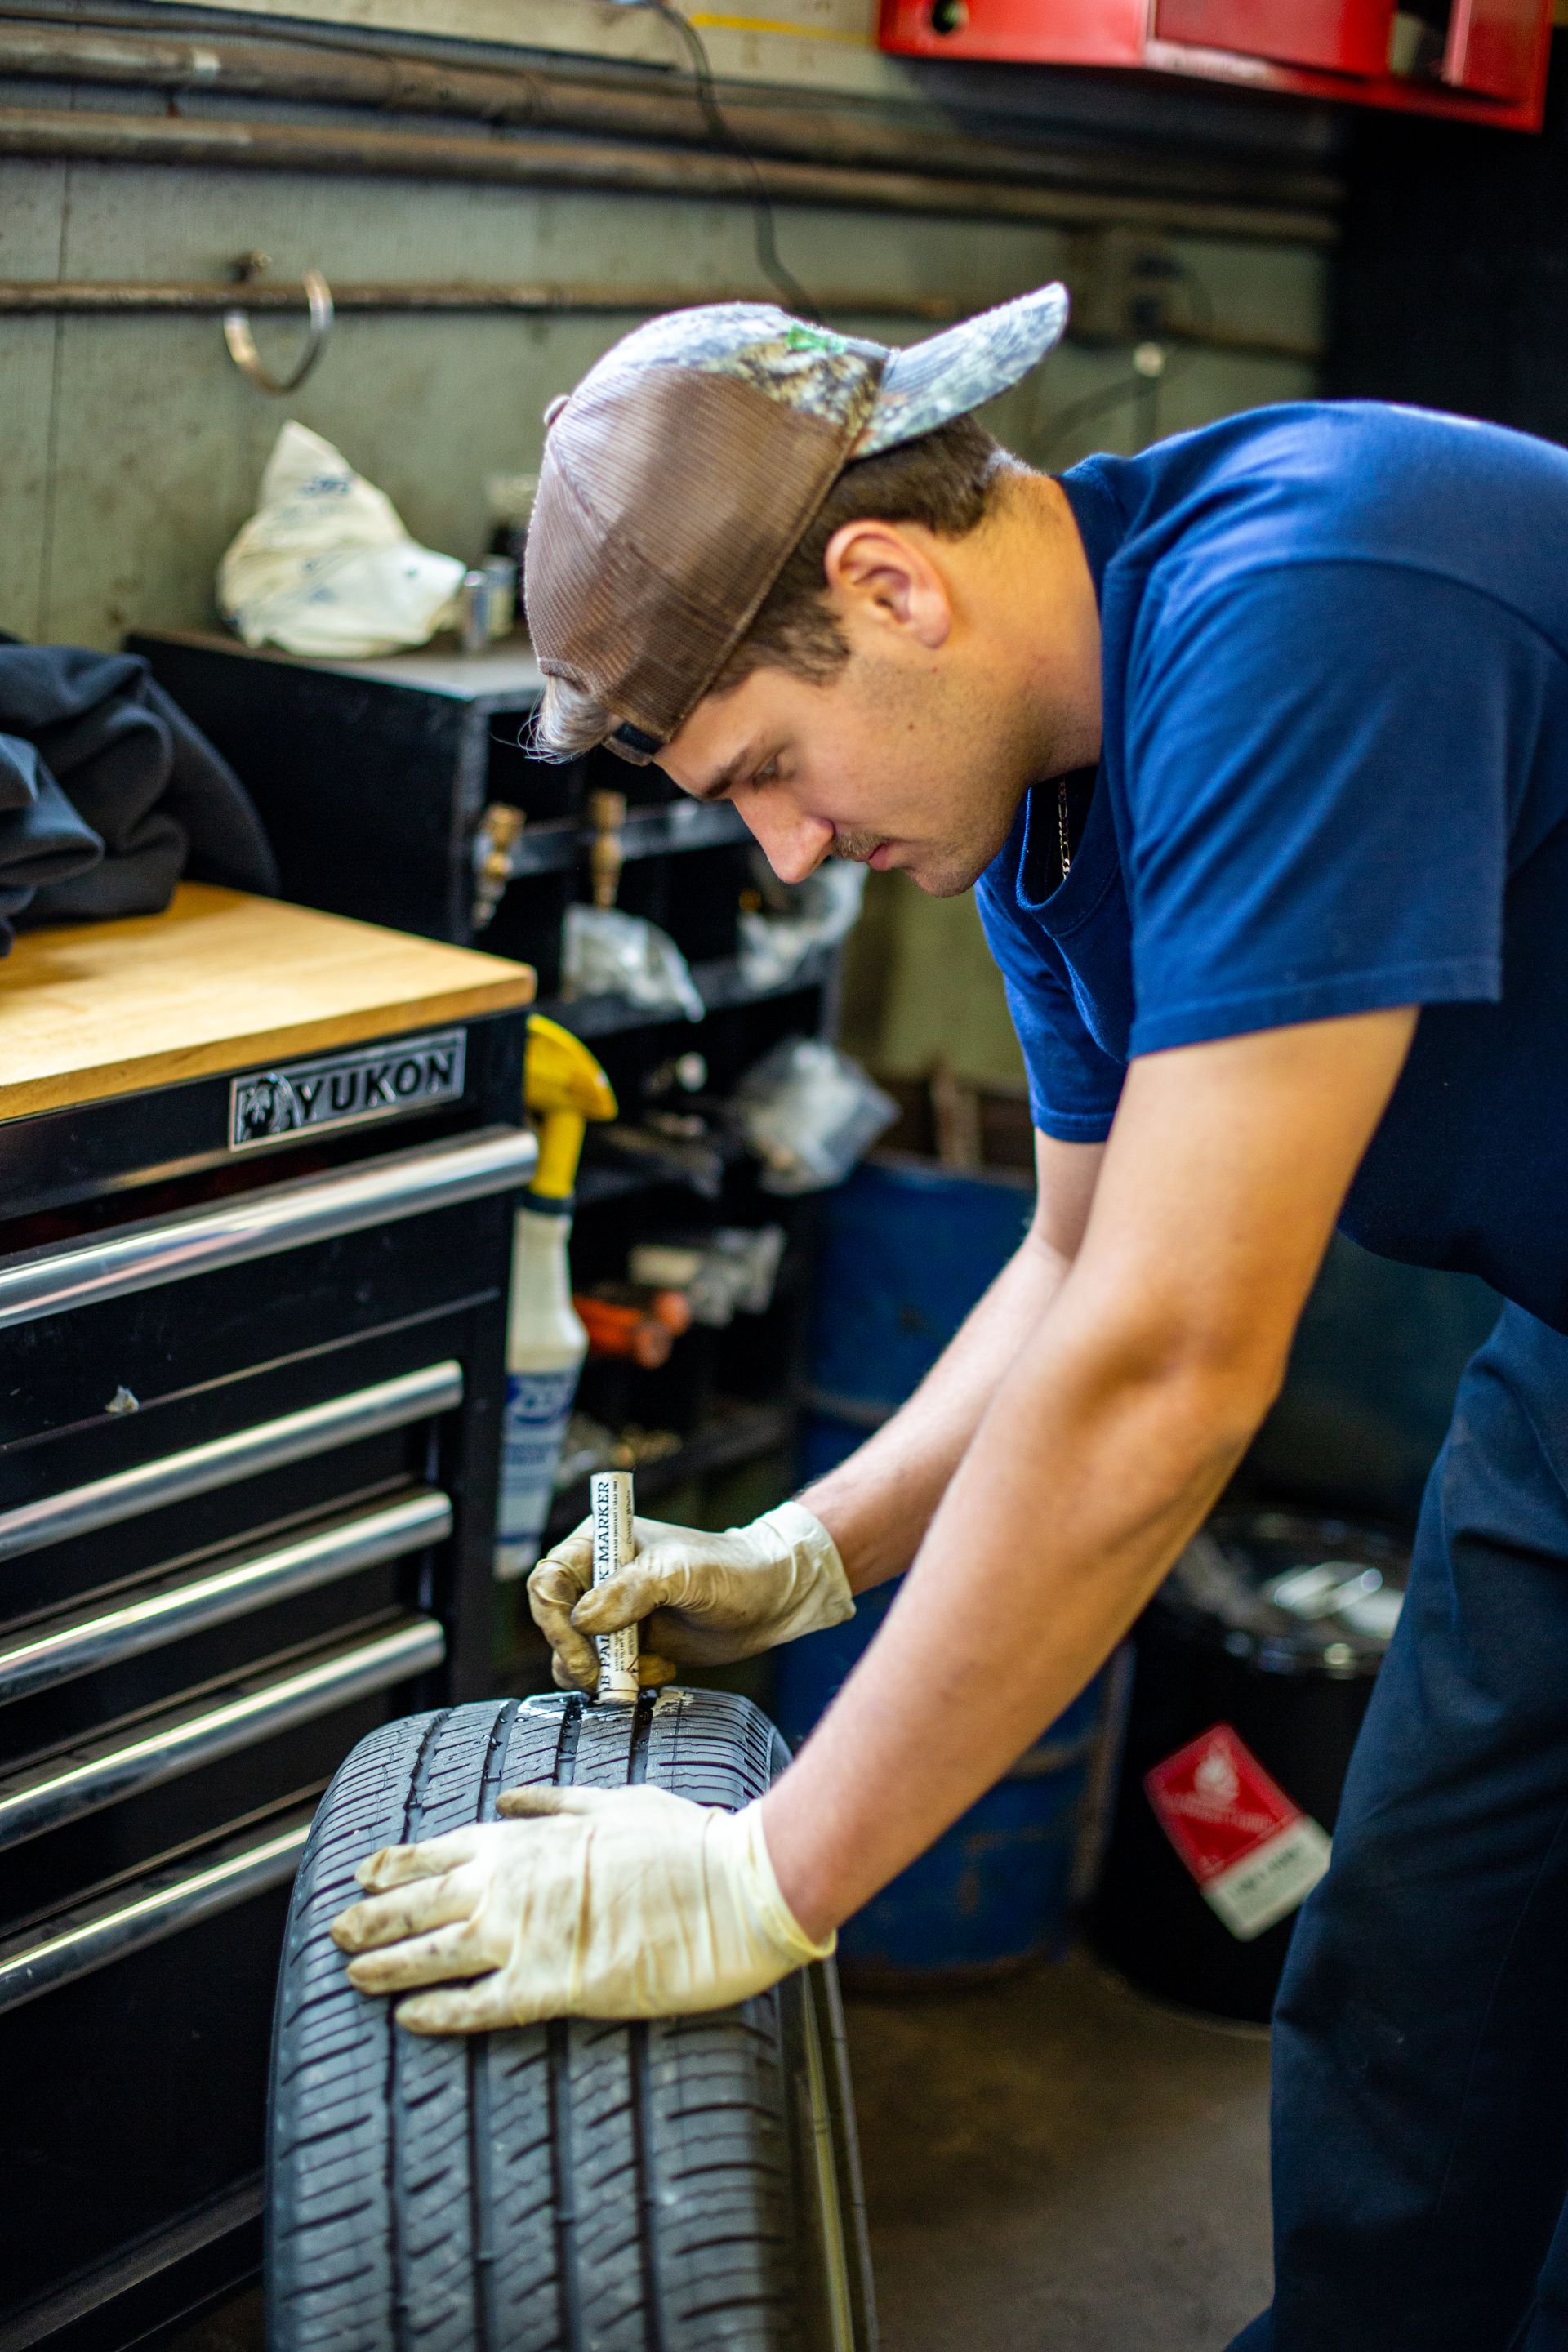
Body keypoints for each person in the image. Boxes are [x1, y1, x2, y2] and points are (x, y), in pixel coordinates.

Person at [331, 287, 1568, 2351]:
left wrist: (768, 1877)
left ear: (888, 583)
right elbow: (1075, 1266)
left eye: (773, 770)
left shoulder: (1312, 603)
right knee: (1425, 1976)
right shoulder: (1040, 801)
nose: (795, 845)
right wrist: (802, 1559)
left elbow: (1175, 1360)